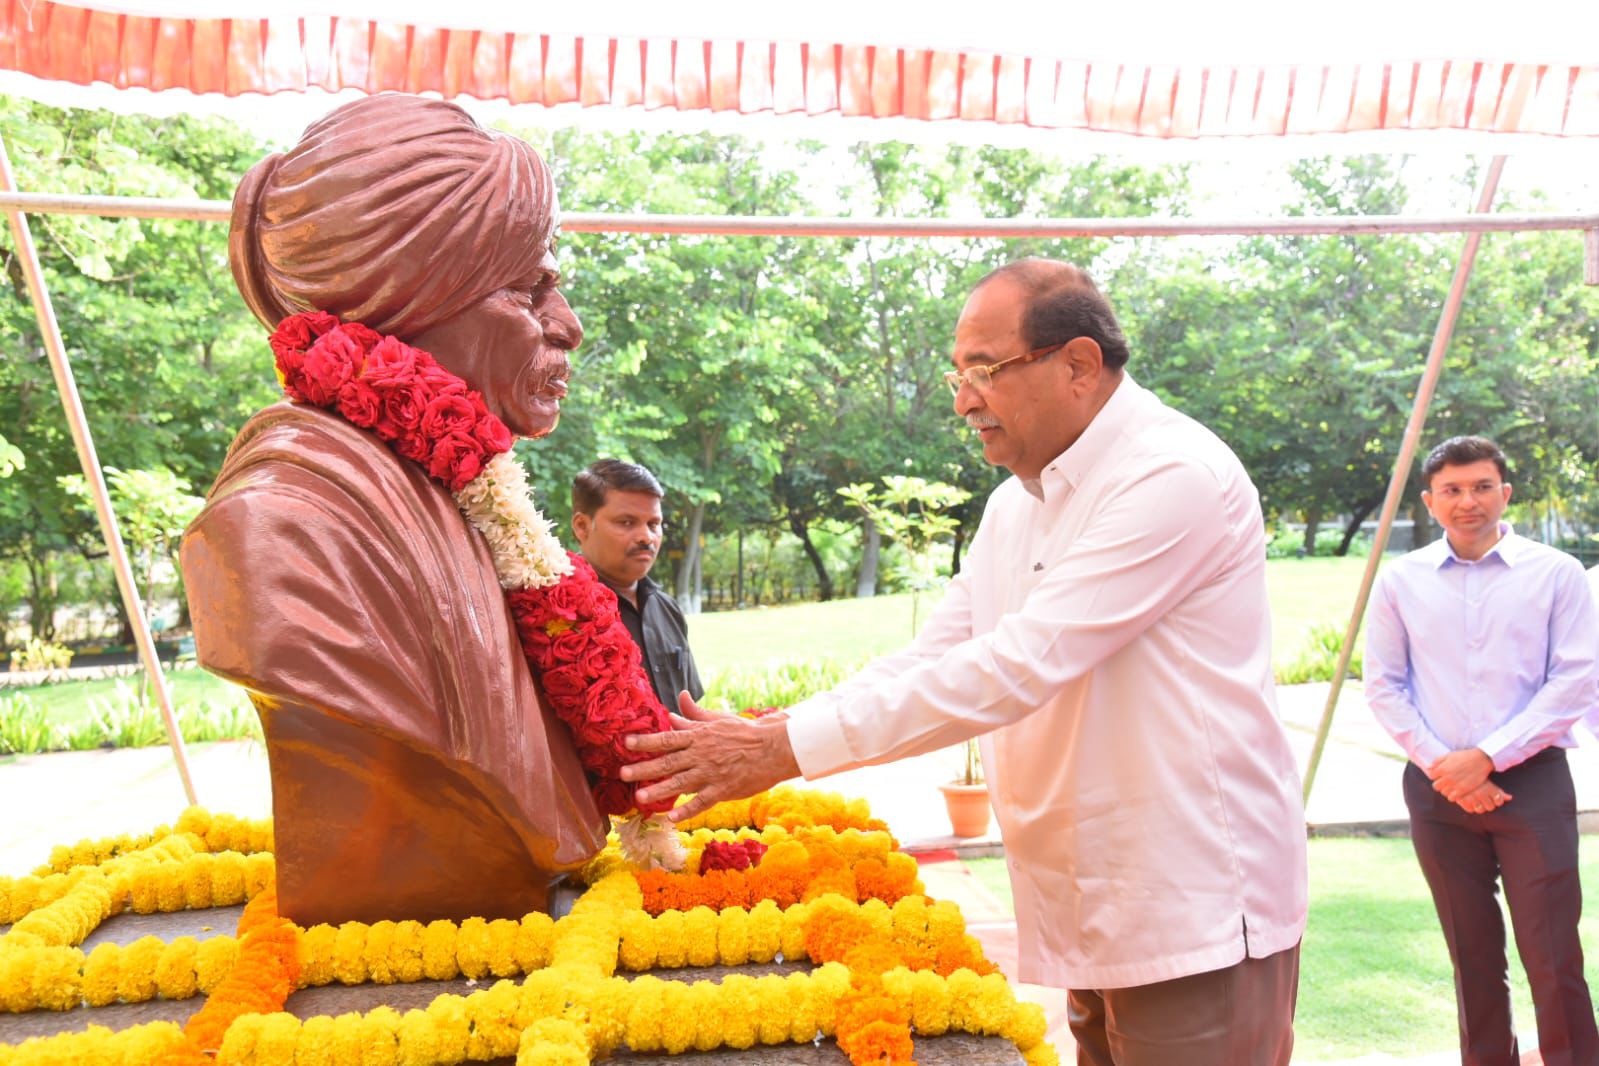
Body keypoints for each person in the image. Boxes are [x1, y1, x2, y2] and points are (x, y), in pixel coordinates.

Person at [625, 258, 1308, 1065]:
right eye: (956, 374)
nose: (961, 400)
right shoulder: (1016, 502)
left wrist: (781, 751)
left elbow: (1017, 665)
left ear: (1079, 365)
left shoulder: (1171, 474)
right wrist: (776, 727)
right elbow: (939, 652)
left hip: (1188, 901)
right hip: (1092, 892)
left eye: (984, 370)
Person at [182, 94, 607, 926]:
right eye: (528, 292)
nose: (570, 325)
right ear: (407, 309)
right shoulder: (282, 529)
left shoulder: (457, 495)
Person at [1364, 436, 1599, 1066]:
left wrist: (1488, 757)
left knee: (1553, 956)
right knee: (1470, 957)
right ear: (1431, 500)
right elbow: (1383, 686)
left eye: (1481, 486)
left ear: (1505, 493)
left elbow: (1574, 679)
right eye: (1453, 489)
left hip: (1534, 784)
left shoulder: (1557, 573)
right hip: (1437, 788)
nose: (1468, 501)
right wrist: (1449, 766)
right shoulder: (1401, 580)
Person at [570, 459, 703, 710]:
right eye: (626, 522)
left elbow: (692, 708)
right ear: (582, 526)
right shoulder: (560, 612)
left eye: (654, 524)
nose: (646, 537)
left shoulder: (666, 609)